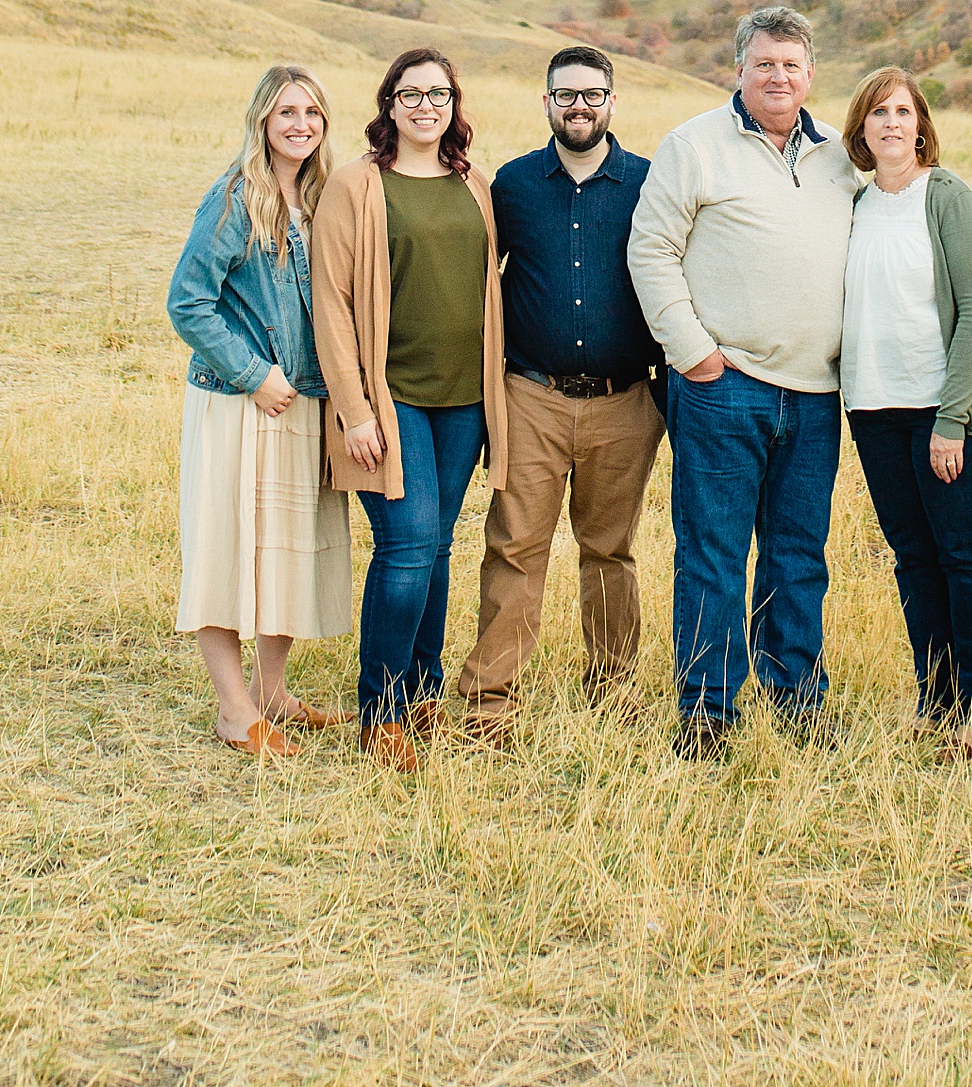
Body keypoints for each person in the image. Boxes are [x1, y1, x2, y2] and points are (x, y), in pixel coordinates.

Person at [627, 5, 860, 757]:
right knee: (713, 551)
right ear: (738, 69)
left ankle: (797, 696)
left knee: (799, 554)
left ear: (810, 74)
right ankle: (707, 708)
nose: (778, 77)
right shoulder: (693, 146)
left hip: (816, 393)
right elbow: (651, 250)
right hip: (725, 383)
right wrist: (693, 352)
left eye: (791, 65)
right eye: (764, 63)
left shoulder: (838, 157)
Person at [457, 46, 665, 735]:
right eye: (566, 94)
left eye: (593, 94)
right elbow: (480, 282)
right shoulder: (511, 186)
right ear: (545, 103)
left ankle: (612, 688)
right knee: (516, 543)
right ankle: (492, 697)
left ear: (613, 102)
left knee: (611, 547)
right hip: (532, 395)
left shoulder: (649, 183)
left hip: (626, 400)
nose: (580, 106)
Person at [311, 48, 507, 770]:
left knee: (439, 545)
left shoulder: (474, 185)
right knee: (405, 545)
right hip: (391, 403)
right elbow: (329, 302)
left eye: (439, 93)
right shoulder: (356, 185)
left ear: (455, 104)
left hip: (465, 399)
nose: (426, 105)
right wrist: (354, 410)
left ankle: (423, 695)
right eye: (410, 93)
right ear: (388, 105)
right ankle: (380, 711)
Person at [168, 64, 350, 758]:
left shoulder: (322, 196)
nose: (300, 124)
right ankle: (233, 708)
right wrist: (253, 375)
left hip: (306, 400)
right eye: (286, 113)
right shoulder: (235, 197)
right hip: (240, 402)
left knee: (285, 552)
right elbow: (188, 303)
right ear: (262, 122)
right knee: (226, 548)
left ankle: (273, 691)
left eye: (311, 112)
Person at [840, 69, 972, 755]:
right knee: (913, 559)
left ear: (920, 126)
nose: (890, 123)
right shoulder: (854, 204)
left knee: (964, 557)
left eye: (902, 112)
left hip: (947, 412)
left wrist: (951, 419)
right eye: (877, 112)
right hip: (875, 407)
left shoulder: (946, 198)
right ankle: (935, 701)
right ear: (861, 128)